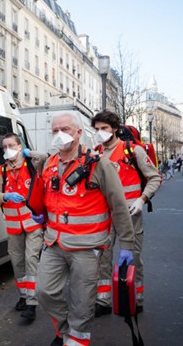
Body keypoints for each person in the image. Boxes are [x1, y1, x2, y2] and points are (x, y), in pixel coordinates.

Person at [33, 112, 135, 346]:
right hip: (54, 243)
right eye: (55, 130)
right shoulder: (49, 164)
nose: (59, 135)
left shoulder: (100, 164)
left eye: (65, 129)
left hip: (87, 247)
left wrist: (126, 246)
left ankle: (76, 341)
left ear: (79, 133)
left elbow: (118, 207)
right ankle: (64, 330)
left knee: (82, 302)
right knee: (44, 292)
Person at [91, 110, 161, 317]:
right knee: (102, 258)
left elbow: (155, 178)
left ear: (115, 128)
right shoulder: (95, 153)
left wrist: (142, 199)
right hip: (104, 215)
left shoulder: (133, 151)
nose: (100, 132)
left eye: (104, 128)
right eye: (97, 129)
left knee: (134, 259)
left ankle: (136, 299)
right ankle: (102, 301)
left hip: (131, 214)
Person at [0, 133, 45, 321]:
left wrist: (31, 153)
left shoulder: (31, 164)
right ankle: (23, 297)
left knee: (31, 260)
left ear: (19, 146)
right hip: (13, 225)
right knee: (17, 262)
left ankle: (32, 302)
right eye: (4, 147)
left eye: (11, 145)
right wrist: (6, 196)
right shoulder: (1, 171)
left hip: (33, 223)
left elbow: (46, 158)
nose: (7, 150)